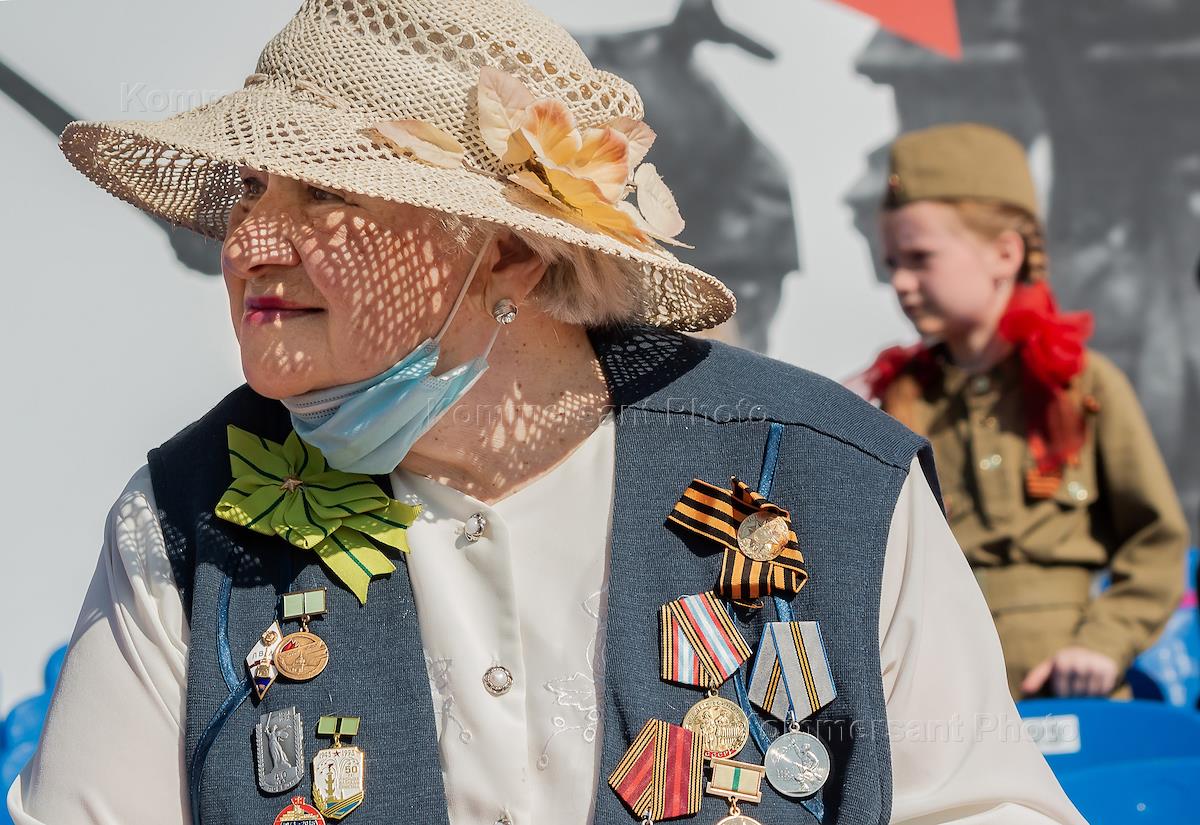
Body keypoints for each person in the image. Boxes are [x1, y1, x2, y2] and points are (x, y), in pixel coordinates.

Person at [10, 3, 1083, 824]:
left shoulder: (832, 479)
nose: (247, 242)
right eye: (251, 188)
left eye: (323, 194)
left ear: (513, 252)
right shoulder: (181, 518)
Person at [864, 123, 1190, 700]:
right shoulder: (897, 404)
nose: (902, 283)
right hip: (945, 695)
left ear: (1005, 254)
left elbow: (1155, 540)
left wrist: (1103, 644)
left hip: (1068, 691)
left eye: (920, 258)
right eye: (892, 264)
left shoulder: (1083, 386)